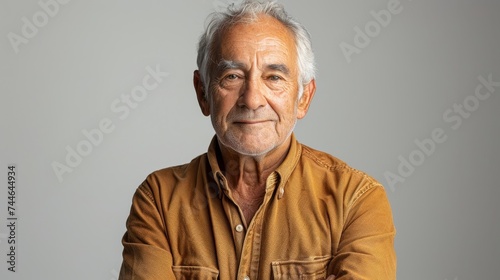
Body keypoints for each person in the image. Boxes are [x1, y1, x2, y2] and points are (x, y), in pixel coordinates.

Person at [119, 1, 396, 279]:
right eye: (232, 76)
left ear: (304, 97)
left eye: (274, 77)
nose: (251, 99)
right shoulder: (159, 199)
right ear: (203, 93)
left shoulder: (356, 200)